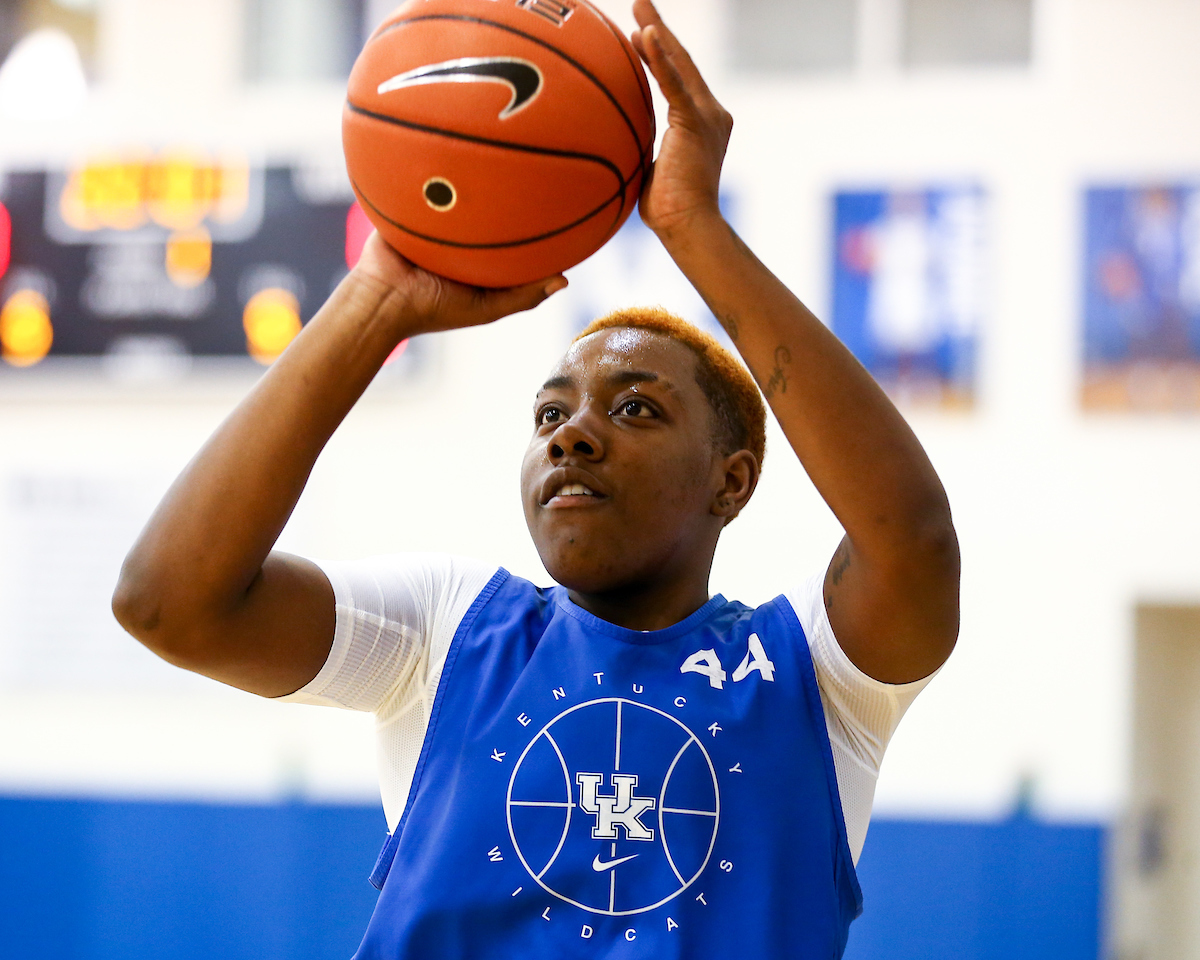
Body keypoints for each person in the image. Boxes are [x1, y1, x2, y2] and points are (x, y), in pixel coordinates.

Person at [112, 2, 959, 956]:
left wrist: (692, 229)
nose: (574, 437)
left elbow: (912, 541)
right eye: (549, 415)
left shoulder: (812, 676)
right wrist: (374, 302)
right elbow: (167, 604)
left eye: (635, 408)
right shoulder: (448, 631)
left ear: (733, 481)